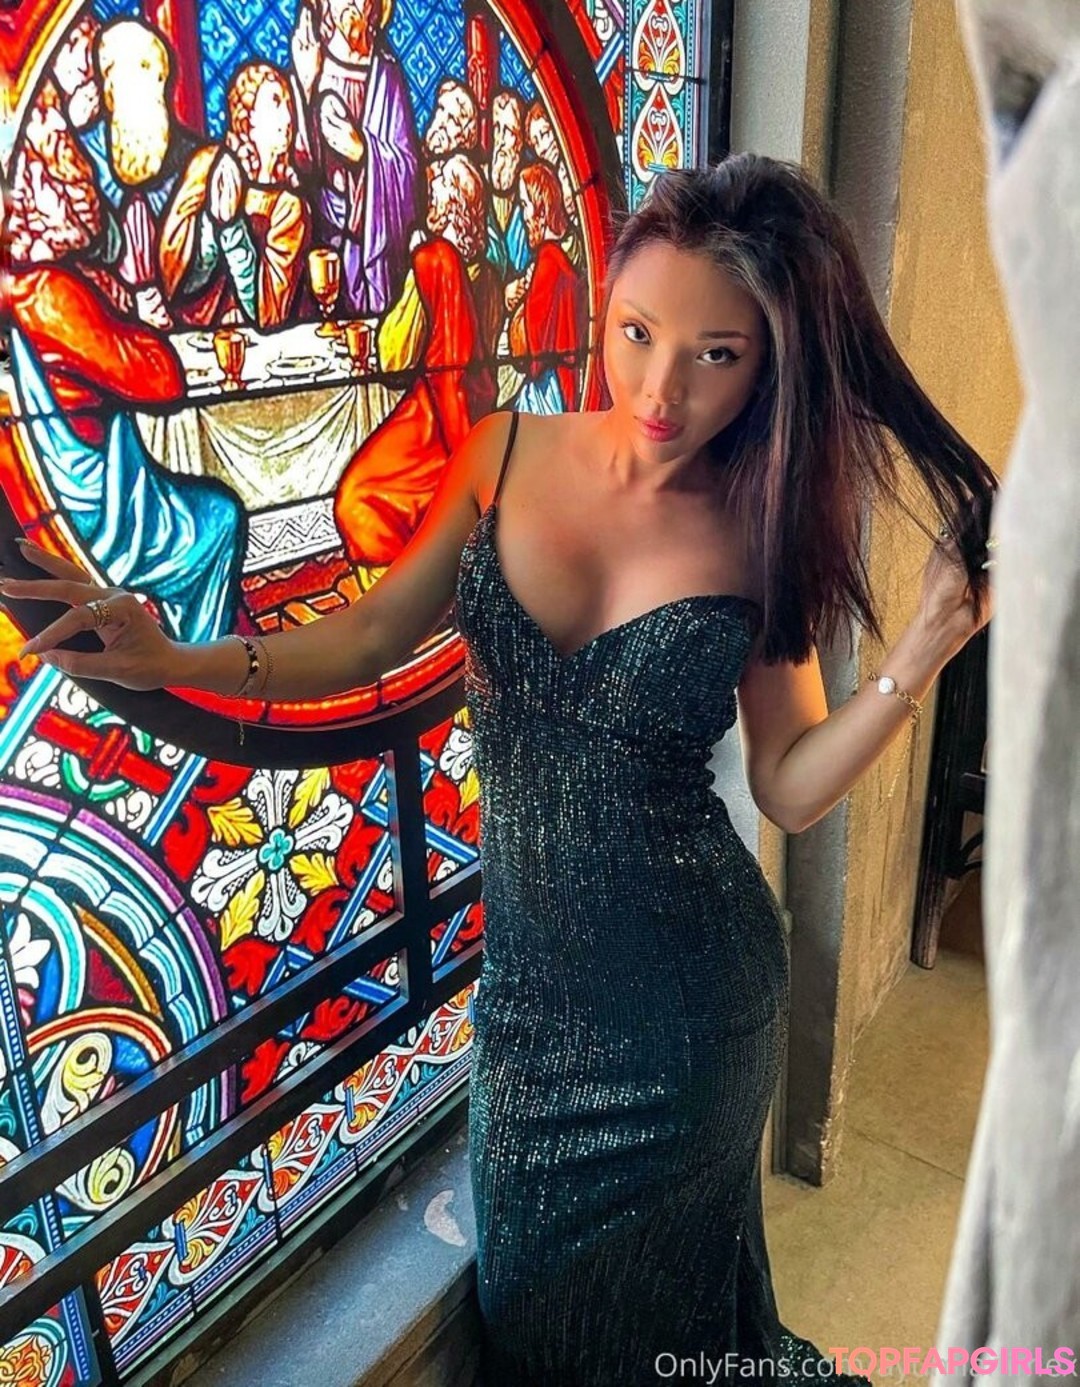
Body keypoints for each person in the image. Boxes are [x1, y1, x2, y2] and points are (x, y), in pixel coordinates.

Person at [5, 156, 997, 1387]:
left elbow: (788, 785)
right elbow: (371, 634)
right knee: (538, 1320)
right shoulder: (505, 451)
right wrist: (176, 657)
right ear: (604, 307)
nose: (661, 387)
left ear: (768, 366)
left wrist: (919, 652)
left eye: (717, 354)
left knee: (662, 1329)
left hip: (689, 1014)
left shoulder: (759, 526)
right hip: (529, 1015)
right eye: (637, 332)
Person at [290, 0, 420, 316]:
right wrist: (305, 90)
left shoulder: (387, 76)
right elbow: (297, 167)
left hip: (376, 243)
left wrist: (364, 152)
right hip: (321, 239)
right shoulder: (311, 66)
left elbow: (410, 172)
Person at [159, 62, 310, 328]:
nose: (288, 117)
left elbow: (268, 315)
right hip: (199, 337)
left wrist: (232, 229)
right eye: (275, 102)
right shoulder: (209, 169)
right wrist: (212, 225)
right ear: (246, 119)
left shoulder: (289, 207)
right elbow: (178, 281)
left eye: (289, 104)